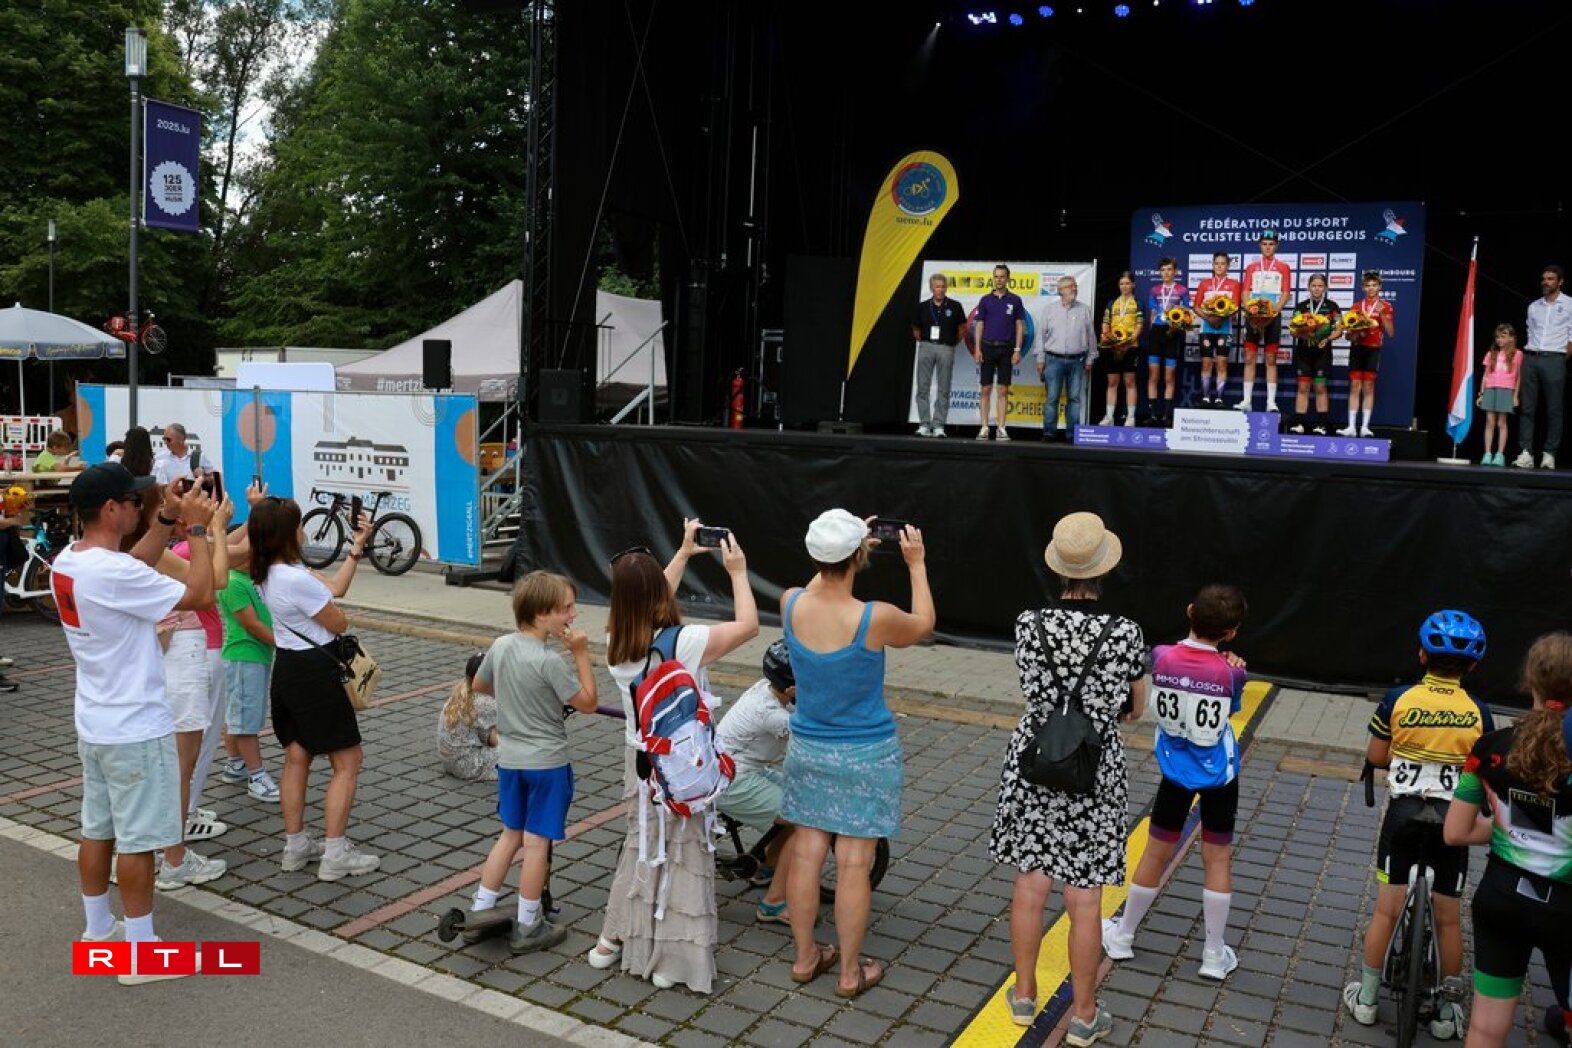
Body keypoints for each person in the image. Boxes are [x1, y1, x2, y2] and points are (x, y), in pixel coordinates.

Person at [54, 464, 217, 983]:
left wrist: (166, 518)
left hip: (96, 720)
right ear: (111, 509)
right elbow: (201, 595)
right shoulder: (112, 573)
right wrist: (197, 529)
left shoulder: (72, 560)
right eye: (132, 501)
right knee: (140, 841)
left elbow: (133, 565)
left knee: (97, 830)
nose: (137, 507)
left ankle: (99, 931)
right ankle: (142, 955)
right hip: (135, 726)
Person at [990, 511, 1147, 1042]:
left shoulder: (1027, 623)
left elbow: (1033, 689)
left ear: (1058, 569)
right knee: (1084, 894)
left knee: (1031, 880)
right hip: (1093, 763)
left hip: (1035, 755)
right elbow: (1136, 707)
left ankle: (1023, 995)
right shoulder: (1125, 632)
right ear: (1104, 569)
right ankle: (1084, 1015)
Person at [588, 521, 758, 992]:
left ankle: (612, 939)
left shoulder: (616, 642)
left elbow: (646, 598)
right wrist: (737, 571)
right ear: (659, 594)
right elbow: (749, 626)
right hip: (682, 763)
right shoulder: (686, 643)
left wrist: (682, 554)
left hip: (639, 761)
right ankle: (673, 964)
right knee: (683, 857)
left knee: (642, 850)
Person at [781, 509, 933, 999]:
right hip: (866, 754)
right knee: (852, 863)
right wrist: (915, 563)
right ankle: (849, 973)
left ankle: (805, 957)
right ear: (858, 557)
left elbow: (817, 584)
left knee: (806, 853)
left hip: (807, 749)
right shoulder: (875, 617)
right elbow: (924, 624)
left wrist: (842, 551)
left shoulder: (790, 603)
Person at [1343, 610, 1492, 1040]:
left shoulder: (1398, 698)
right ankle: (1445, 1013)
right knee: (1448, 920)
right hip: (1453, 818)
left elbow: (1376, 756)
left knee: (1386, 909)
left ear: (1422, 655)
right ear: (1473, 666)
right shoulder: (1479, 711)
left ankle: (1367, 1000)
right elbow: (1484, 769)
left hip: (1404, 813)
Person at [1104, 585, 1248, 981]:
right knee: (1217, 858)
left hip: (1174, 772)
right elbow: (1232, 707)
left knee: (1155, 852)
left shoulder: (1161, 656)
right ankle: (1213, 955)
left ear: (1189, 611)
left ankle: (1123, 936)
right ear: (1231, 633)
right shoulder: (1233, 672)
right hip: (1219, 775)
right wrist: (1229, 662)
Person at [1444, 633, 1572, 1046]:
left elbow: (1456, 832)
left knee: (1485, 1028)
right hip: (1565, 908)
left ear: (1530, 681)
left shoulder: (1490, 748)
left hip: (1501, 898)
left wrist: (1511, 830)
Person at [249, 496, 380, 881]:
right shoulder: (295, 579)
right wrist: (336, 615)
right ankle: (335, 853)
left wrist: (356, 547)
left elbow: (336, 587)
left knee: (296, 755)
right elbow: (338, 621)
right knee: (348, 761)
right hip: (315, 671)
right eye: (298, 524)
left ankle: (296, 845)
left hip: (288, 668)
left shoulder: (268, 572)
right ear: (288, 533)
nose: (303, 529)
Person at [468, 571, 597, 953]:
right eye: (566, 609)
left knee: (510, 834)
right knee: (537, 843)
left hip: (510, 760)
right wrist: (581, 653)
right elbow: (588, 703)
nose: (573, 615)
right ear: (542, 614)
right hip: (547, 764)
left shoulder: (501, 645)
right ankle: (528, 923)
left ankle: (480, 910)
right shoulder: (549, 661)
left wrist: (516, 696)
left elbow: (479, 685)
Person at [155, 508, 236, 891]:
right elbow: (214, 582)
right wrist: (209, 527)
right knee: (179, 765)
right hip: (177, 655)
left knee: (163, 764)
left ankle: (142, 852)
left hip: (156, 662)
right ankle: (172, 857)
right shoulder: (152, 551)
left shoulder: (113, 554)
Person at [716, 639, 798, 924]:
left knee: (798, 801)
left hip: (733, 768)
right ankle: (773, 904)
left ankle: (767, 866)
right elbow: (811, 735)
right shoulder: (773, 715)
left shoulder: (765, 688)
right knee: (805, 818)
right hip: (733, 780)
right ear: (791, 689)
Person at [216, 563, 280, 800]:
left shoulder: (250, 577)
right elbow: (252, 624)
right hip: (245, 657)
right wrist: (284, 644)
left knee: (239, 713)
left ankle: (236, 764)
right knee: (245, 719)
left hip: (256, 656)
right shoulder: (233, 582)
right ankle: (256, 776)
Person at [1514, 265, 1572, 470]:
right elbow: (1530, 332)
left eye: (1550, 279)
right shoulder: (1534, 306)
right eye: (1544, 279)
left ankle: (1549, 453)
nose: (1545, 282)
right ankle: (1526, 452)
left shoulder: (1570, 304)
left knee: (1554, 409)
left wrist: (1559, 360)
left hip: (1555, 359)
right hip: (1531, 358)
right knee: (1527, 408)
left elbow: (1571, 338)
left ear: (1560, 282)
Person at [1035, 276, 1098, 442]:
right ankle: (1049, 433)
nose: (1074, 288)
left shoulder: (1084, 309)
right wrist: (1040, 359)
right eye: (1071, 286)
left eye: (1075, 286)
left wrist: (1090, 358)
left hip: (1077, 361)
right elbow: (1040, 336)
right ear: (1061, 290)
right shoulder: (1049, 310)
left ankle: (1072, 434)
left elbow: (1091, 336)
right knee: (1052, 398)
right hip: (1053, 359)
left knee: (1074, 399)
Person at [1238, 230, 1292, 413]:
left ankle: (1271, 402)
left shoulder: (1283, 267)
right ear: (1260, 245)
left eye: (1271, 244)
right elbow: (1245, 292)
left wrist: (1273, 312)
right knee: (1249, 357)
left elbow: (1286, 293)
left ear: (1276, 246)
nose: (1268, 247)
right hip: (1253, 317)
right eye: (1264, 244)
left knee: (1271, 358)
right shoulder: (1252, 267)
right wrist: (1250, 312)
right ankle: (1247, 400)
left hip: (1273, 317)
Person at [971, 264, 1026, 441]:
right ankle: (984, 427)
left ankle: (1001, 428)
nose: (999, 279)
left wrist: (1017, 350)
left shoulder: (1015, 300)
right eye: (996, 276)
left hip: (1006, 348)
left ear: (1008, 279)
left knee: (1003, 389)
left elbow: (1019, 326)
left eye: (1002, 276)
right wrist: (977, 349)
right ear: (993, 278)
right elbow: (979, 325)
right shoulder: (985, 300)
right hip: (987, 347)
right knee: (986, 389)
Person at [1340, 270, 1396, 437]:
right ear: (1363, 288)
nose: (1371, 288)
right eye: (1367, 285)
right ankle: (1351, 427)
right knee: (1355, 386)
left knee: (1368, 386)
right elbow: (1348, 334)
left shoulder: (1386, 306)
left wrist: (1382, 314)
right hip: (1357, 348)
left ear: (1379, 287)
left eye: (1374, 285)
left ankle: (1365, 427)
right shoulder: (1357, 307)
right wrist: (1354, 335)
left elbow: (1390, 332)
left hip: (1373, 349)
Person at [910, 273, 967, 437]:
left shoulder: (955, 306)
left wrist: (951, 343)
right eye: (937, 287)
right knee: (923, 387)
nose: (940, 290)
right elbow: (916, 329)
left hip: (946, 348)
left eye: (943, 286)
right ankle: (924, 424)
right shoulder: (922, 307)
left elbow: (962, 329)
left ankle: (939, 425)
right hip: (926, 346)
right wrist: (925, 342)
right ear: (931, 288)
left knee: (944, 388)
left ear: (946, 288)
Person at [1288, 274, 1341, 435]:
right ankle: (1299, 423)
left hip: (1322, 353)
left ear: (1325, 288)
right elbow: (1293, 330)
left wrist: (1327, 338)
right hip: (1304, 353)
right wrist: (1305, 334)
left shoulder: (1332, 306)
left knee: (1320, 387)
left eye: (1320, 286)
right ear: (1309, 287)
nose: (1317, 289)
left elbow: (1339, 330)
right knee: (1303, 387)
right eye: (1314, 285)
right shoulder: (1301, 306)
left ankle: (1322, 425)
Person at [438, 652, 499, 781]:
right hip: (469, 765)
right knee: (518, 751)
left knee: (490, 729)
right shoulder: (484, 701)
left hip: (451, 761)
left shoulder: (461, 692)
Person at [1194, 252, 1242, 407]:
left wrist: (1220, 318)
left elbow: (1235, 307)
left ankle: (1219, 398)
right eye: (1217, 263)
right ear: (1213, 265)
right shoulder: (1204, 284)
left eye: (1223, 263)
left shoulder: (1234, 284)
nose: (1219, 266)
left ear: (1228, 266)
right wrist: (1209, 319)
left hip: (1224, 329)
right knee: (1206, 363)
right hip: (1206, 328)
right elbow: (1196, 306)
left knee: (1222, 363)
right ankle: (1205, 397)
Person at [1144, 258, 1188, 425]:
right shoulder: (1154, 290)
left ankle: (1166, 416)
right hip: (1156, 333)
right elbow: (1152, 314)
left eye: (1169, 269)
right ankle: (1152, 415)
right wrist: (1152, 332)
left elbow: (1186, 312)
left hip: (1173, 333)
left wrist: (1177, 325)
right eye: (1163, 270)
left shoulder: (1182, 290)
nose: (1166, 273)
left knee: (1169, 376)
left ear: (1175, 271)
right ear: (1160, 272)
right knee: (1153, 375)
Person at [1099, 272, 1143, 426]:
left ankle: (1130, 417)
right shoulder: (1112, 303)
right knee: (1112, 382)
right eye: (1121, 284)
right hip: (1113, 347)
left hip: (1131, 347)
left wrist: (1130, 340)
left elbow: (1139, 325)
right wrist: (1106, 336)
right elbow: (1106, 323)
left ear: (1133, 285)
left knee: (1130, 381)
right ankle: (1109, 416)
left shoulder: (1137, 302)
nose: (1124, 286)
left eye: (1127, 283)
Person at [1478, 323, 1523, 467]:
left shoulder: (1517, 354)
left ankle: (1499, 454)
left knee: (1501, 423)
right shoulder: (1491, 353)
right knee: (1490, 422)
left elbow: (1518, 377)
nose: (1499, 340)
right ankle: (1487, 453)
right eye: (1497, 337)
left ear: (1511, 338)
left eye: (1503, 336)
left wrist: (1515, 396)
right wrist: (1481, 394)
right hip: (1490, 389)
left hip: (1506, 390)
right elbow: (1485, 376)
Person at [152, 422, 213, 487]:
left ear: (181, 439)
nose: (165, 442)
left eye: (168, 440)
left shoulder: (199, 457)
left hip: (195, 493)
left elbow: (214, 478)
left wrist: (202, 478)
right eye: (164, 439)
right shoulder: (159, 458)